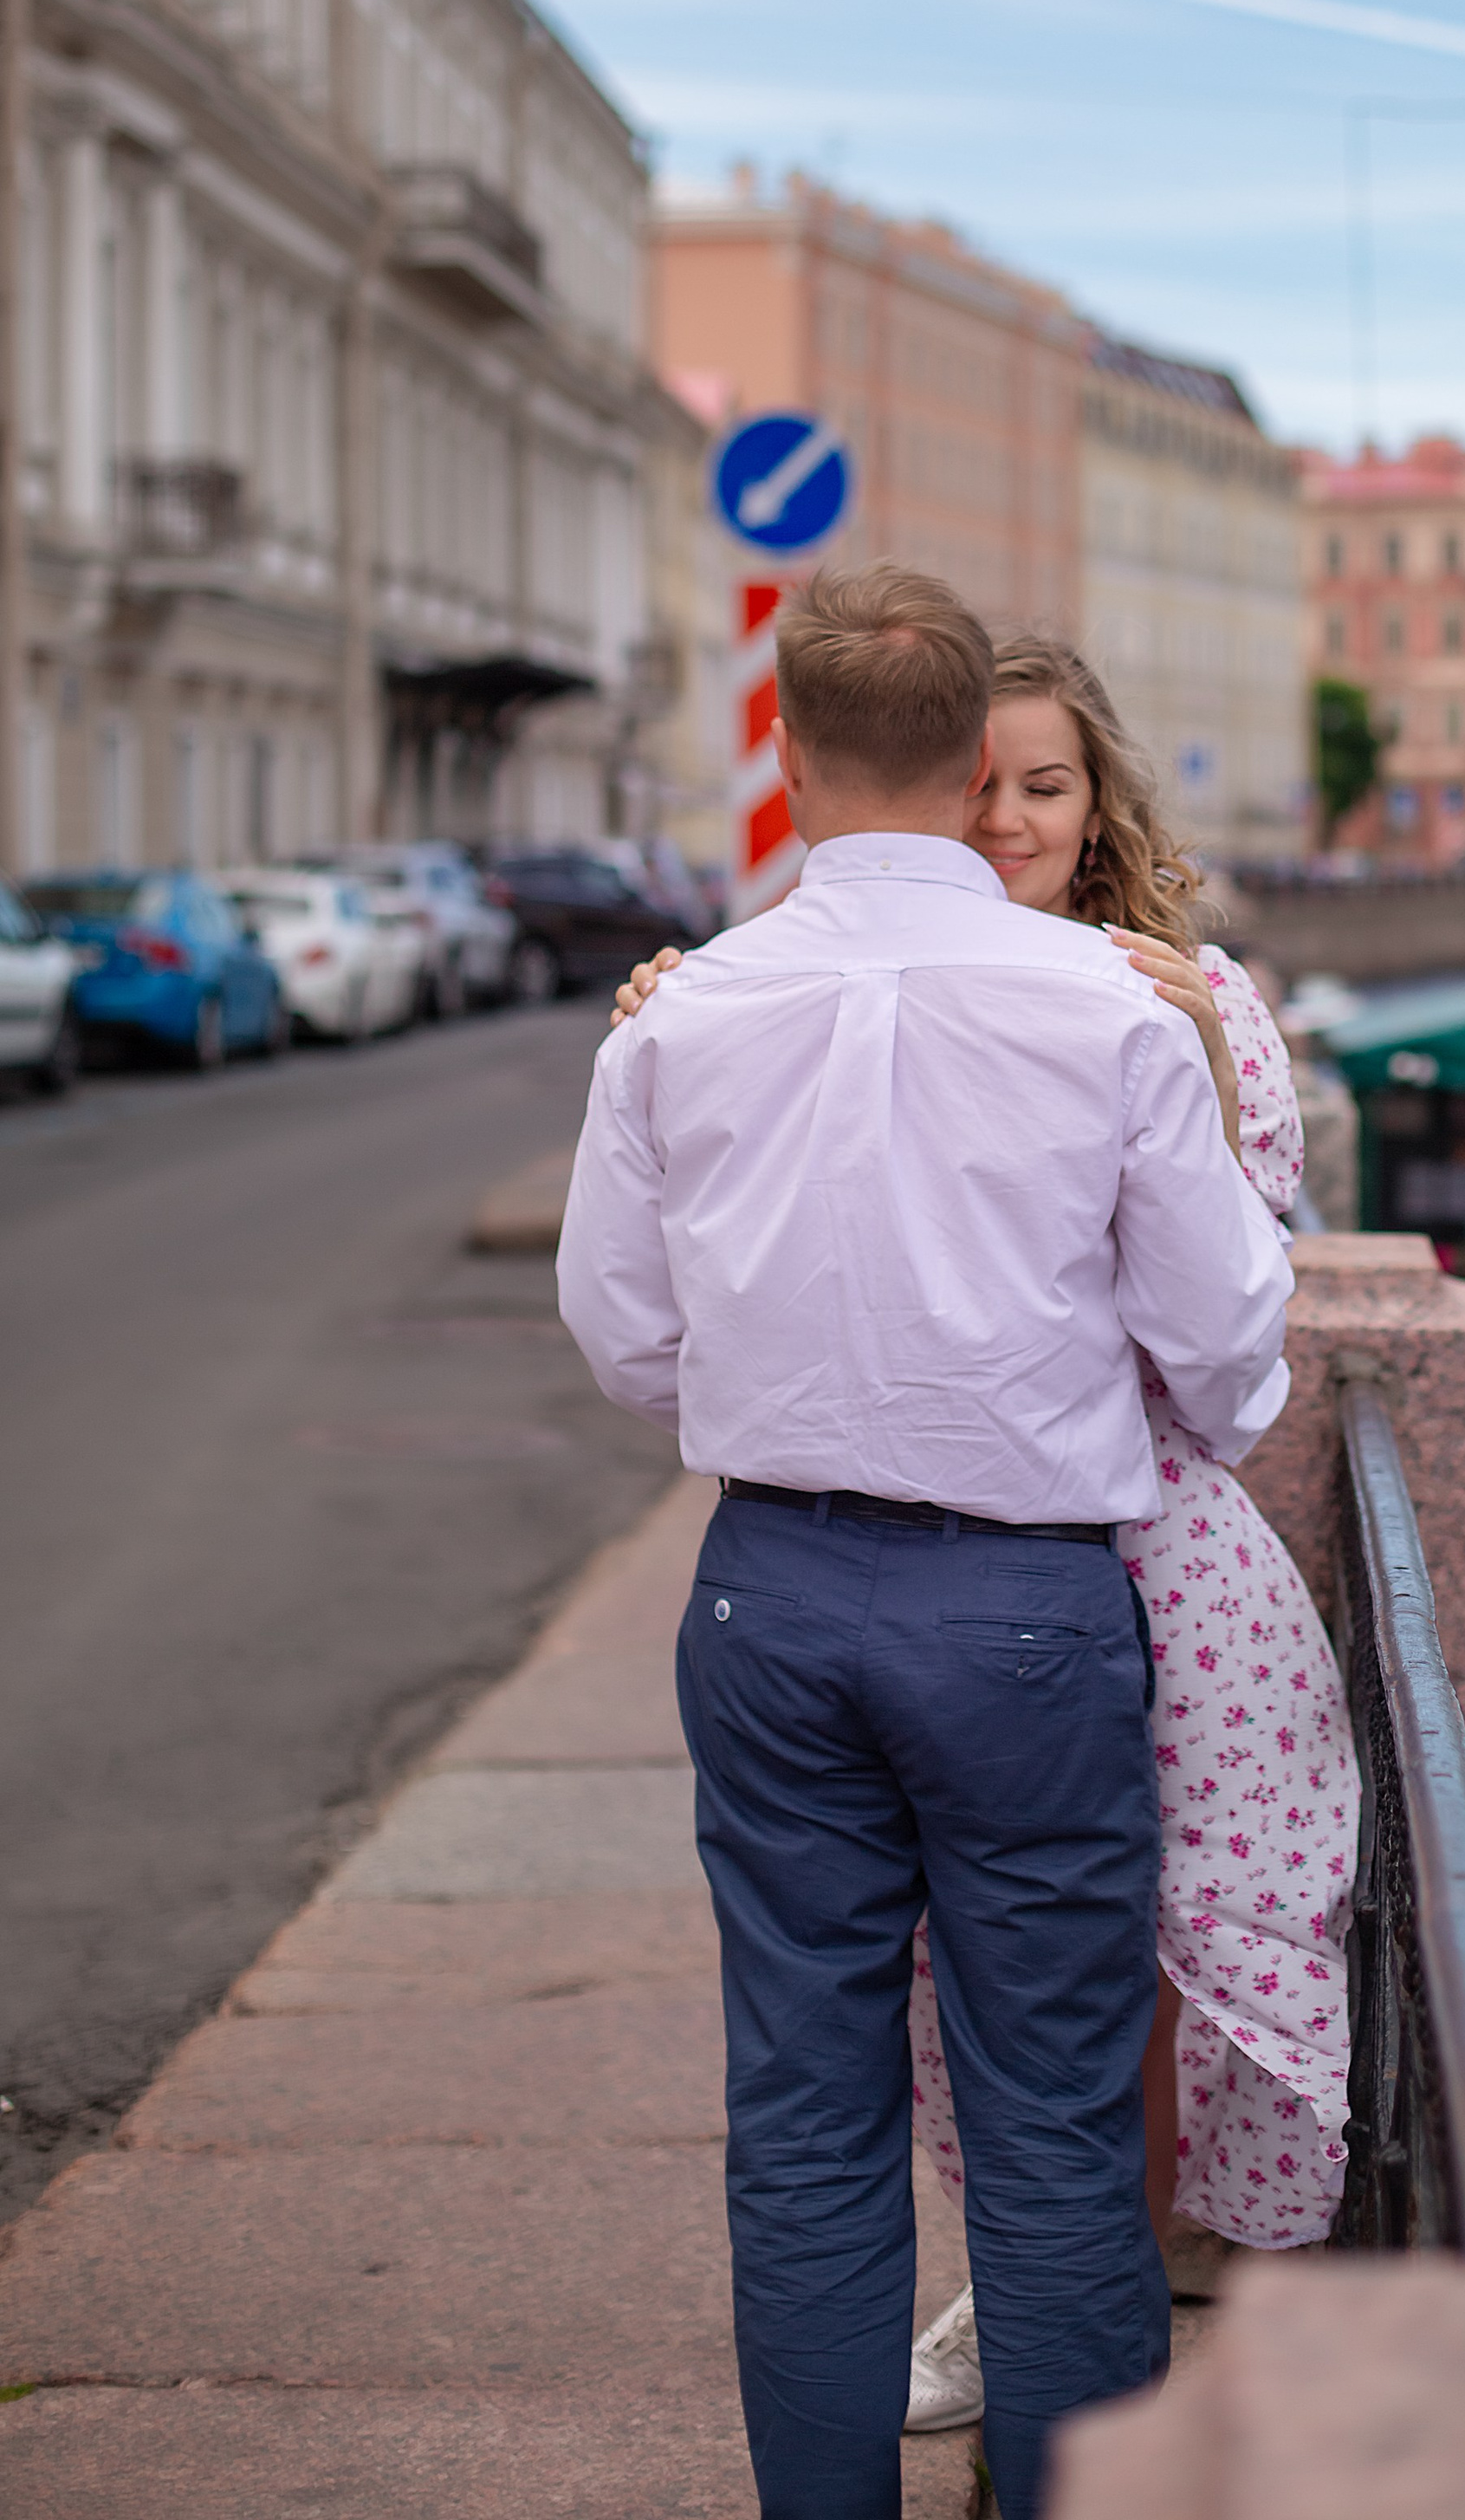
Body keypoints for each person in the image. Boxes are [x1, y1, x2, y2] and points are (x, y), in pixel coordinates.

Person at [558, 565, 1293, 2520]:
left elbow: (625, 1336)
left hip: (770, 1593)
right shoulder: (1117, 1009)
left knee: (800, 2117)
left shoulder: (677, 1013)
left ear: (784, 757)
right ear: (979, 759)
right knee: (1054, 2122)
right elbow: (1226, 1356)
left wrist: (793, 1418)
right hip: (1027, 1608)